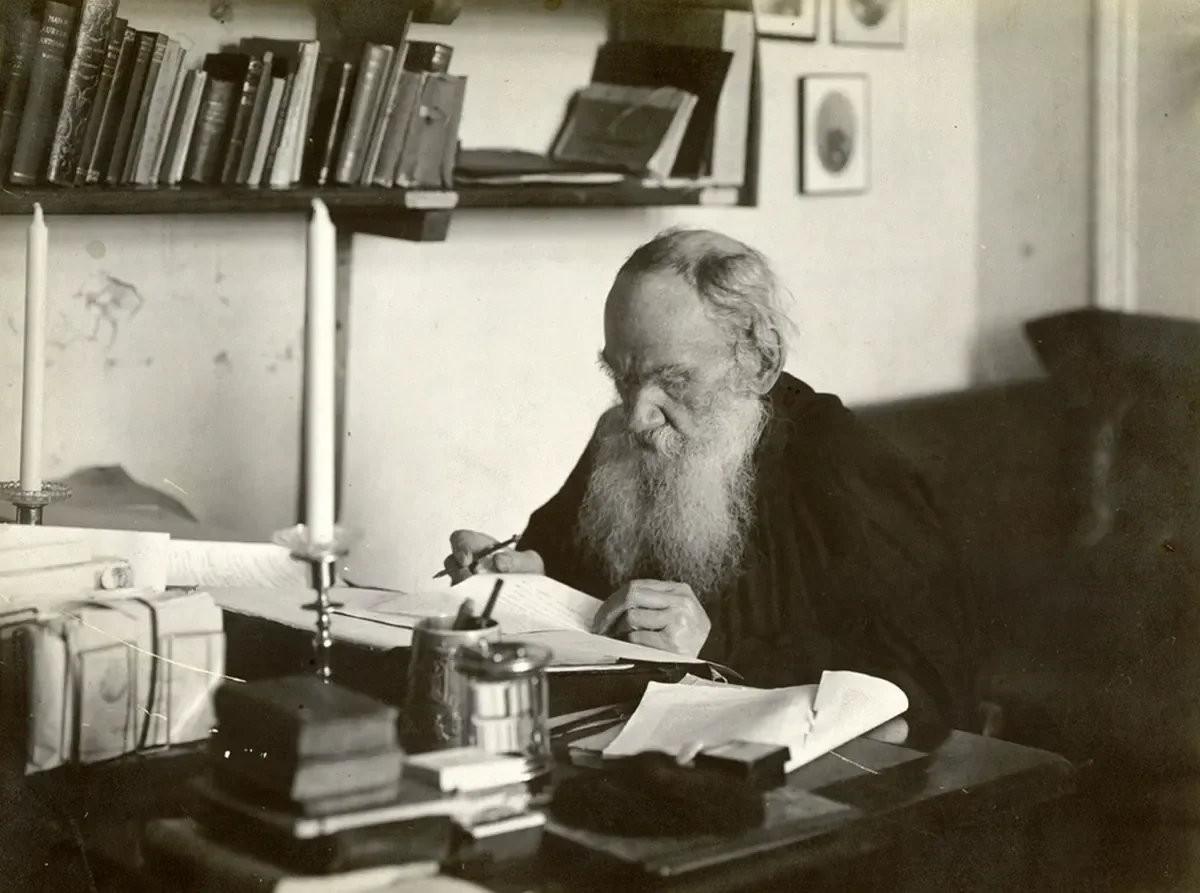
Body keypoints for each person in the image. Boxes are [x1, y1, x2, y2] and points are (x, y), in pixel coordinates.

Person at [444, 228, 975, 732]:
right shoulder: (623, 433)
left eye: (673, 380)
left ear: (760, 362)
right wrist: (523, 574)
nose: (637, 417)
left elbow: (932, 685)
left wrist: (717, 649)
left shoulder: (841, 459)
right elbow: (573, 568)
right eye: (622, 379)